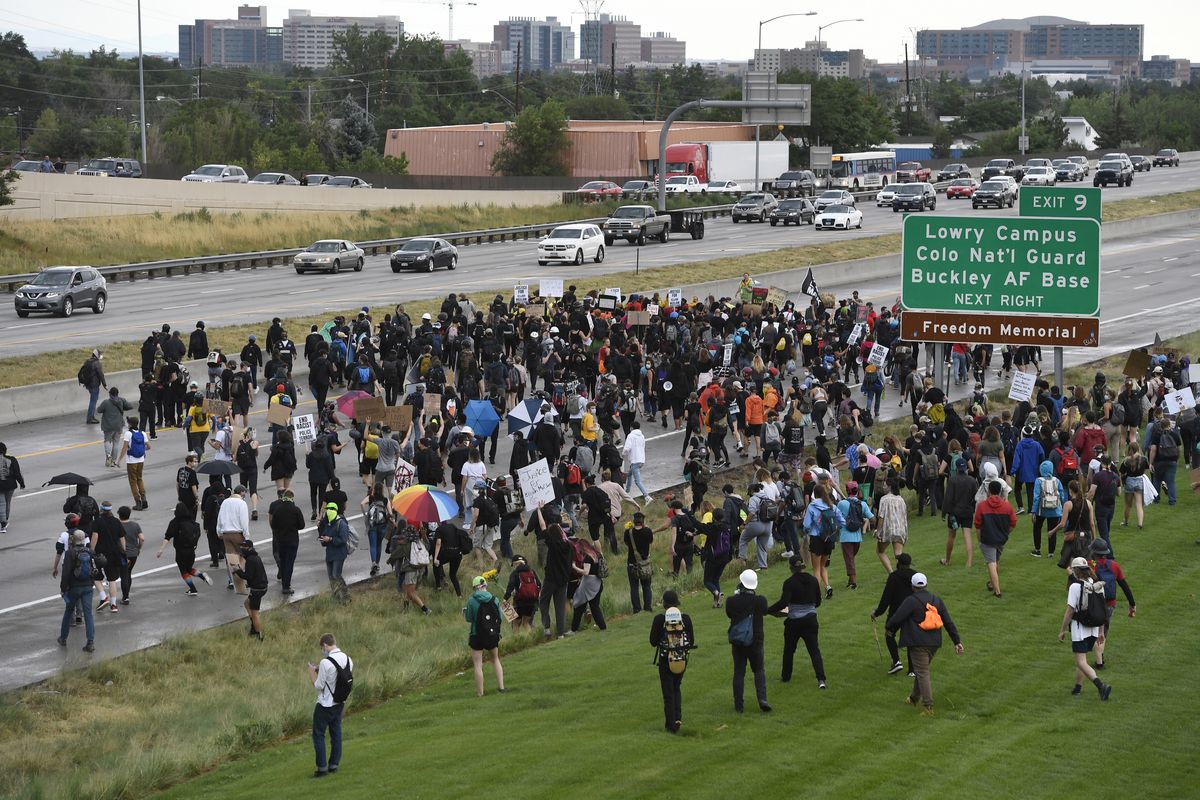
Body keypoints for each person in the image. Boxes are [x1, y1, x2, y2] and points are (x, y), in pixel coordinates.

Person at [884, 572, 963, 715]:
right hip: (934, 643)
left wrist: (889, 629)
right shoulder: (936, 600)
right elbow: (948, 621)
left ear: (913, 587)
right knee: (921, 670)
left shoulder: (911, 601)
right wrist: (956, 641)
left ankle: (928, 706)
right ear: (926, 585)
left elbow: (897, 618)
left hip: (918, 642)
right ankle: (914, 698)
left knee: (922, 672)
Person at [767, 555, 826, 689]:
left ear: (791, 568)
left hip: (794, 622)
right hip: (811, 620)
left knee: (789, 650)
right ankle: (821, 680)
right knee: (814, 650)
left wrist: (767, 610)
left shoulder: (789, 583)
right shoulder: (813, 580)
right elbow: (817, 602)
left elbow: (783, 603)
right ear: (803, 566)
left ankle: (786, 677)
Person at [1058, 557, 1113, 701]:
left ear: (1076, 571)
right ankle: (1077, 687)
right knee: (1082, 659)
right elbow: (1101, 610)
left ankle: (1101, 686)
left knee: (1081, 661)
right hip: (1094, 629)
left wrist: (1062, 630)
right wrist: (1101, 632)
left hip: (1080, 629)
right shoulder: (1097, 585)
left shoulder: (1075, 587)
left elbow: (1070, 611)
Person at [649, 590, 694, 734]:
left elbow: (653, 641)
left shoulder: (659, 619)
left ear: (664, 604)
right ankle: (678, 718)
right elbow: (691, 641)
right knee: (676, 687)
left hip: (665, 659)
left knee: (668, 692)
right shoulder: (685, 618)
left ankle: (670, 725)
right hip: (681, 658)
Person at [308, 633, 353, 778]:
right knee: (336, 733)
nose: (323, 650)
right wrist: (318, 670)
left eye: (322, 648)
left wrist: (311, 674)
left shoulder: (325, 662)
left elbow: (319, 685)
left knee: (318, 734)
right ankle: (334, 764)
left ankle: (322, 768)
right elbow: (338, 675)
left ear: (325, 645)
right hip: (339, 702)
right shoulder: (348, 659)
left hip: (325, 704)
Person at [1087, 539, 1136, 671]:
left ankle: (1098, 662)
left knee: (1094, 630)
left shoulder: (1090, 565)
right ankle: (1100, 658)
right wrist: (1132, 604)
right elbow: (1124, 586)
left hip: (1094, 603)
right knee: (1104, 631)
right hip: (1110, 604)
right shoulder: (1114, 565)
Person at [726, 569, 770, 713]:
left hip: (738, 642)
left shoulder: (732, 601)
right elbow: (764, 610)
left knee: (739, 672)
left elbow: (729, 613)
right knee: (759, 670)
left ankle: (738, 706)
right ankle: (762, 699)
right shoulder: (760, 601)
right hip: (756, 641)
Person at [870, 552, 916, 676]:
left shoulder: (894, 577)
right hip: (912, 612)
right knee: (910, 639)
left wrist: (877, 612)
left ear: (898, 563)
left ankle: (896, 661)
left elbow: (886, 598)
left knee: (889, 634)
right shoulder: (915, 576)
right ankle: (912, 669)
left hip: (896, 613)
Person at [155, 502, 213, 595]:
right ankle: (202, 576)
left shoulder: (175, 522)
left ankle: (193, 589)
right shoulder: (192, 521)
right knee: (189, 569)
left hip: (180, 551)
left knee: (184, 571)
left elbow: (167, 537)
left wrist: (161, 550)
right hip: (191, 550)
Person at [464, 576, 506, 697]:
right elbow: (500, 617)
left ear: (474, 587)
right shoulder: (495, 599)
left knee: (478, 664)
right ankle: (501, 687)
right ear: (486, 585)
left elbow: (469, 618)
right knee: (496, 659)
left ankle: (480, 693)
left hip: (476, 635)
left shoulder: (472, 601)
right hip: (492, 635)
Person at [974, 480, 1017, 598]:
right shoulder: (1006, 506)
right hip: (1001, 538)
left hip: (987, 538)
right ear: (1000, 491)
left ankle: (997, 591)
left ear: (988, 491)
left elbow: (977, 524)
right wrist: (1006, 533)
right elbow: (1013, 522)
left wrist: (979, 538)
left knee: (991, 563)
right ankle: (992, 584)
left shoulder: (982, 506)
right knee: (996, 561)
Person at [58, 531, 97, 652]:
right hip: (88, 586)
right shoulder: (90, 551)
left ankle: (63, 638)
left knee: (69, 611)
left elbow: (66, 573)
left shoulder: (70, 553)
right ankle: (90, 642)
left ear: (74, 539)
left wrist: (63, 588)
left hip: (74, 587)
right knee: (88, 613)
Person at [803, 485, 844, 600]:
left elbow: (806, 525)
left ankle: (817, 594)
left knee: (816, 568)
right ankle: (827, 586)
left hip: (816, 539)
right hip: (829, 539)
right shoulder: (831, 505)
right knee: (823, 566)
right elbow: (842, 521)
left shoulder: (812, 506)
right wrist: (835, 530)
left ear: (814, 494)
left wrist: (807, 531)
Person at [835, 481, 873, 590]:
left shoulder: (842, 503)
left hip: (845, 536)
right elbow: (872, 518)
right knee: (851, 558)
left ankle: (854, 582)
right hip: (857, 536)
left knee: (849, 559)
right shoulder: (862, 504)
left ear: (847, 491)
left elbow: (837, 518)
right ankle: (850, 579)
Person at [940, 459, 977, 568]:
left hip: (954, 513)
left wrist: (944, 512)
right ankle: (969, 562)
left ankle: (947, 560)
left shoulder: (952, 480)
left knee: (951, 536)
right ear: (966, 467)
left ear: (956, 468)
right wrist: (973, 508)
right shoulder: (972, 480)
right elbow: (976, 497)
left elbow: (948, 498)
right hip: (967, 511)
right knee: (967, 536)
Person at [90, 502, 125, 613]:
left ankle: (103, 597)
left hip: (101, 554)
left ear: (101, 509)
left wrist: (92, 551)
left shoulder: (98, 522)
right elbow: (122, 538)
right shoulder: (116, 521)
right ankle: (113, 605)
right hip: (114, 553)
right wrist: (123, 551)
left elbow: (95, 537)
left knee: (96, 576)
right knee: (112, 579)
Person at [218, 486, 251, 593]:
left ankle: (235, 583)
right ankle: (239, 579)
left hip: (226, 534)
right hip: (237, 533)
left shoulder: (225, 502)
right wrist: (247, 536)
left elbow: (220, 518)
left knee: (232, 559)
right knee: (243, 556)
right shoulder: (242, 503)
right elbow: (244, 521)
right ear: (241, 493)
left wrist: (219, 531)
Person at [569, 538, 607, 633]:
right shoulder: (597, 554)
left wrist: (574, 567)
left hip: (589, 584)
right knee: (594, 606)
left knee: (579, 606)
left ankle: (574, 629)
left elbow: (586, 572)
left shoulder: (587, 557)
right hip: (598, 582)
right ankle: (602, 625)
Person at [235, 539, 269, 640]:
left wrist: (237, 570)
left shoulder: (250, 560)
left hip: (257, 590)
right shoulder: (255, 557)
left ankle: (259, 635)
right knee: (247, 603)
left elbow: (248, 576)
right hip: (262, 587)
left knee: (255, 614)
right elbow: (256, 574)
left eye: (244, 547)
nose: (242, 549)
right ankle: (254, 626)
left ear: (250, 548)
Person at [1031, 460, 1066, 559]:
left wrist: (1033, 511)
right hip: (1055, 509)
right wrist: (1061, 507)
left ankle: (1037, 550)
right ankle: (1051, 552)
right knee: (1052, 530)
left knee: (1037, 528)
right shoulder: (1057, 480)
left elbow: (1036, 497)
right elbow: (1062, 495)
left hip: (1041, 510)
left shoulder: (1038, 481)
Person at [874, 480, 908, 573]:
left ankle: (891, 573)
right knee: (898, 554)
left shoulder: (884, 499)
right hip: (900, 529)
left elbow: (881, 516)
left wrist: (878, 531)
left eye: (885, 485)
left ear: (890, 487)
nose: (883, 487)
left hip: (888, 529)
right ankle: (901, 573)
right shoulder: (901, 499)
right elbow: (904, 516)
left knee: (880, 551)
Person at [117, 416, 150, 510]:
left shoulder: (128, 434)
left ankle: (138, 502)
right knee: (139, 479)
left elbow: (124, 447)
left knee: (133, 481)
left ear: (130, 424)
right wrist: (142, 450)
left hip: (131, 461)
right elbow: (149, 446)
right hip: (141, 460)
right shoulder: (142, 433)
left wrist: (119, 460)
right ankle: (144, 499)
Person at [624, 511, 654, 613]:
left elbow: (627, 543)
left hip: (632, 562)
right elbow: (650, 541)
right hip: (645, 563)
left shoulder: (628, 532)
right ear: (643, 521)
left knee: (634, 587)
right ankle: (648, 607)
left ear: (634, 521)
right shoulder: (648, 531)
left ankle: (637, 609)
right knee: (646, 585)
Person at [1148, 415, 1182, 506]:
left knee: (1157, 480)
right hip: (1172, 461)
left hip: (1159, 461)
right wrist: (1177, 459)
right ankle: (1172, 500)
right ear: (1169, 425)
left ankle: (1156, 498)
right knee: (1170, 481)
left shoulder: (1157, 435)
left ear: (1161, 426)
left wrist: (1151, 463)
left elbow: (1153, 449)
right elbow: (1179, 449)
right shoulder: (1175, 434)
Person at [502, 554, 541, 631]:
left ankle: (517, 642)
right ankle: (531, 640)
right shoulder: (532, 571)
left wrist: (505, 599)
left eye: (513, 564)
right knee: (526, 623)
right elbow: (539, 585)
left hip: (520, 602)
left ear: (516, 564)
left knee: (515, 623)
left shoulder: (515, 573)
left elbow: (510, 587)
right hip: (532, 601)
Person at [318, 501, 350, 592]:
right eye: (327, 509)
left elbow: (343, 539)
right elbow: (323, 535)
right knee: (331, 577)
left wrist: (331, 539)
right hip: (330, 554)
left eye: (331, 509)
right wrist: (323, 539)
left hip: (339, 554)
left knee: (336, 575)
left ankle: (345, 596)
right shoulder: (327, 523)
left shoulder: (341, 523)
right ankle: (335, 596)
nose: (329, 511)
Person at [97, 387, 133, 468]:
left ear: (110, 394)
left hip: (108, 425)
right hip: (118, 425)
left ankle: (108, 456)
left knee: (107, 440)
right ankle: (113, 461)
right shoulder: (121, 400)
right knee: (116, 443)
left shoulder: (106, 402)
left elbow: (99, 410)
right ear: (117, 393)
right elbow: (130, 406)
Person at [115, 506, 143, 605]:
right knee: (128, 573)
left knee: (124, 575)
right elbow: (142, 538)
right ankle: (126, 595)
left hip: (122, 554)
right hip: (133, 554)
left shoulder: (117, 525)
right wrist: (138, 548)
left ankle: (125, 596)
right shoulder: (135, 525)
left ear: (119, 514)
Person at [1118, 443, 1149, 530]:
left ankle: (1125, 521)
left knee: (1128, 505)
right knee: (1139, 504)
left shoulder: (1126, 461)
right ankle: (1140, 523)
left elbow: (1121, 473)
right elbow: (1146, 470)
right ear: (1138, 449)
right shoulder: (1143, 459)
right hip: (1140, 481)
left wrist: (1122, 481)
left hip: (1129, 481)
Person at [0, 441, 26, 534]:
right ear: (5, 450)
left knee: (1, 503)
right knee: (7, 502)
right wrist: (22, 484)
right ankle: (4, 521)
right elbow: (17, 473)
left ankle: (3, 523)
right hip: (10, 484)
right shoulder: (11, 459)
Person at [623, 420, 651, 502]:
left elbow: (627, 448)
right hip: (641, 460)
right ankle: (627, 492)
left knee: (637, 481)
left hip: (634, 460)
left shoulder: (630, 436)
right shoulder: (642, 436)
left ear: (632, 427)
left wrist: (623, 454)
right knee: (629, 474)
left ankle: (647, 497)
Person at [81, 349, 107, 424]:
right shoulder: (97, 363)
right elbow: (101, 375)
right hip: (94, 385)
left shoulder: (87, 361)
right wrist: (104, 384)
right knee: (93, 401)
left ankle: (91, 416)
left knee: (93, 400)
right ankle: (90, 418)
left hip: (88, 384)